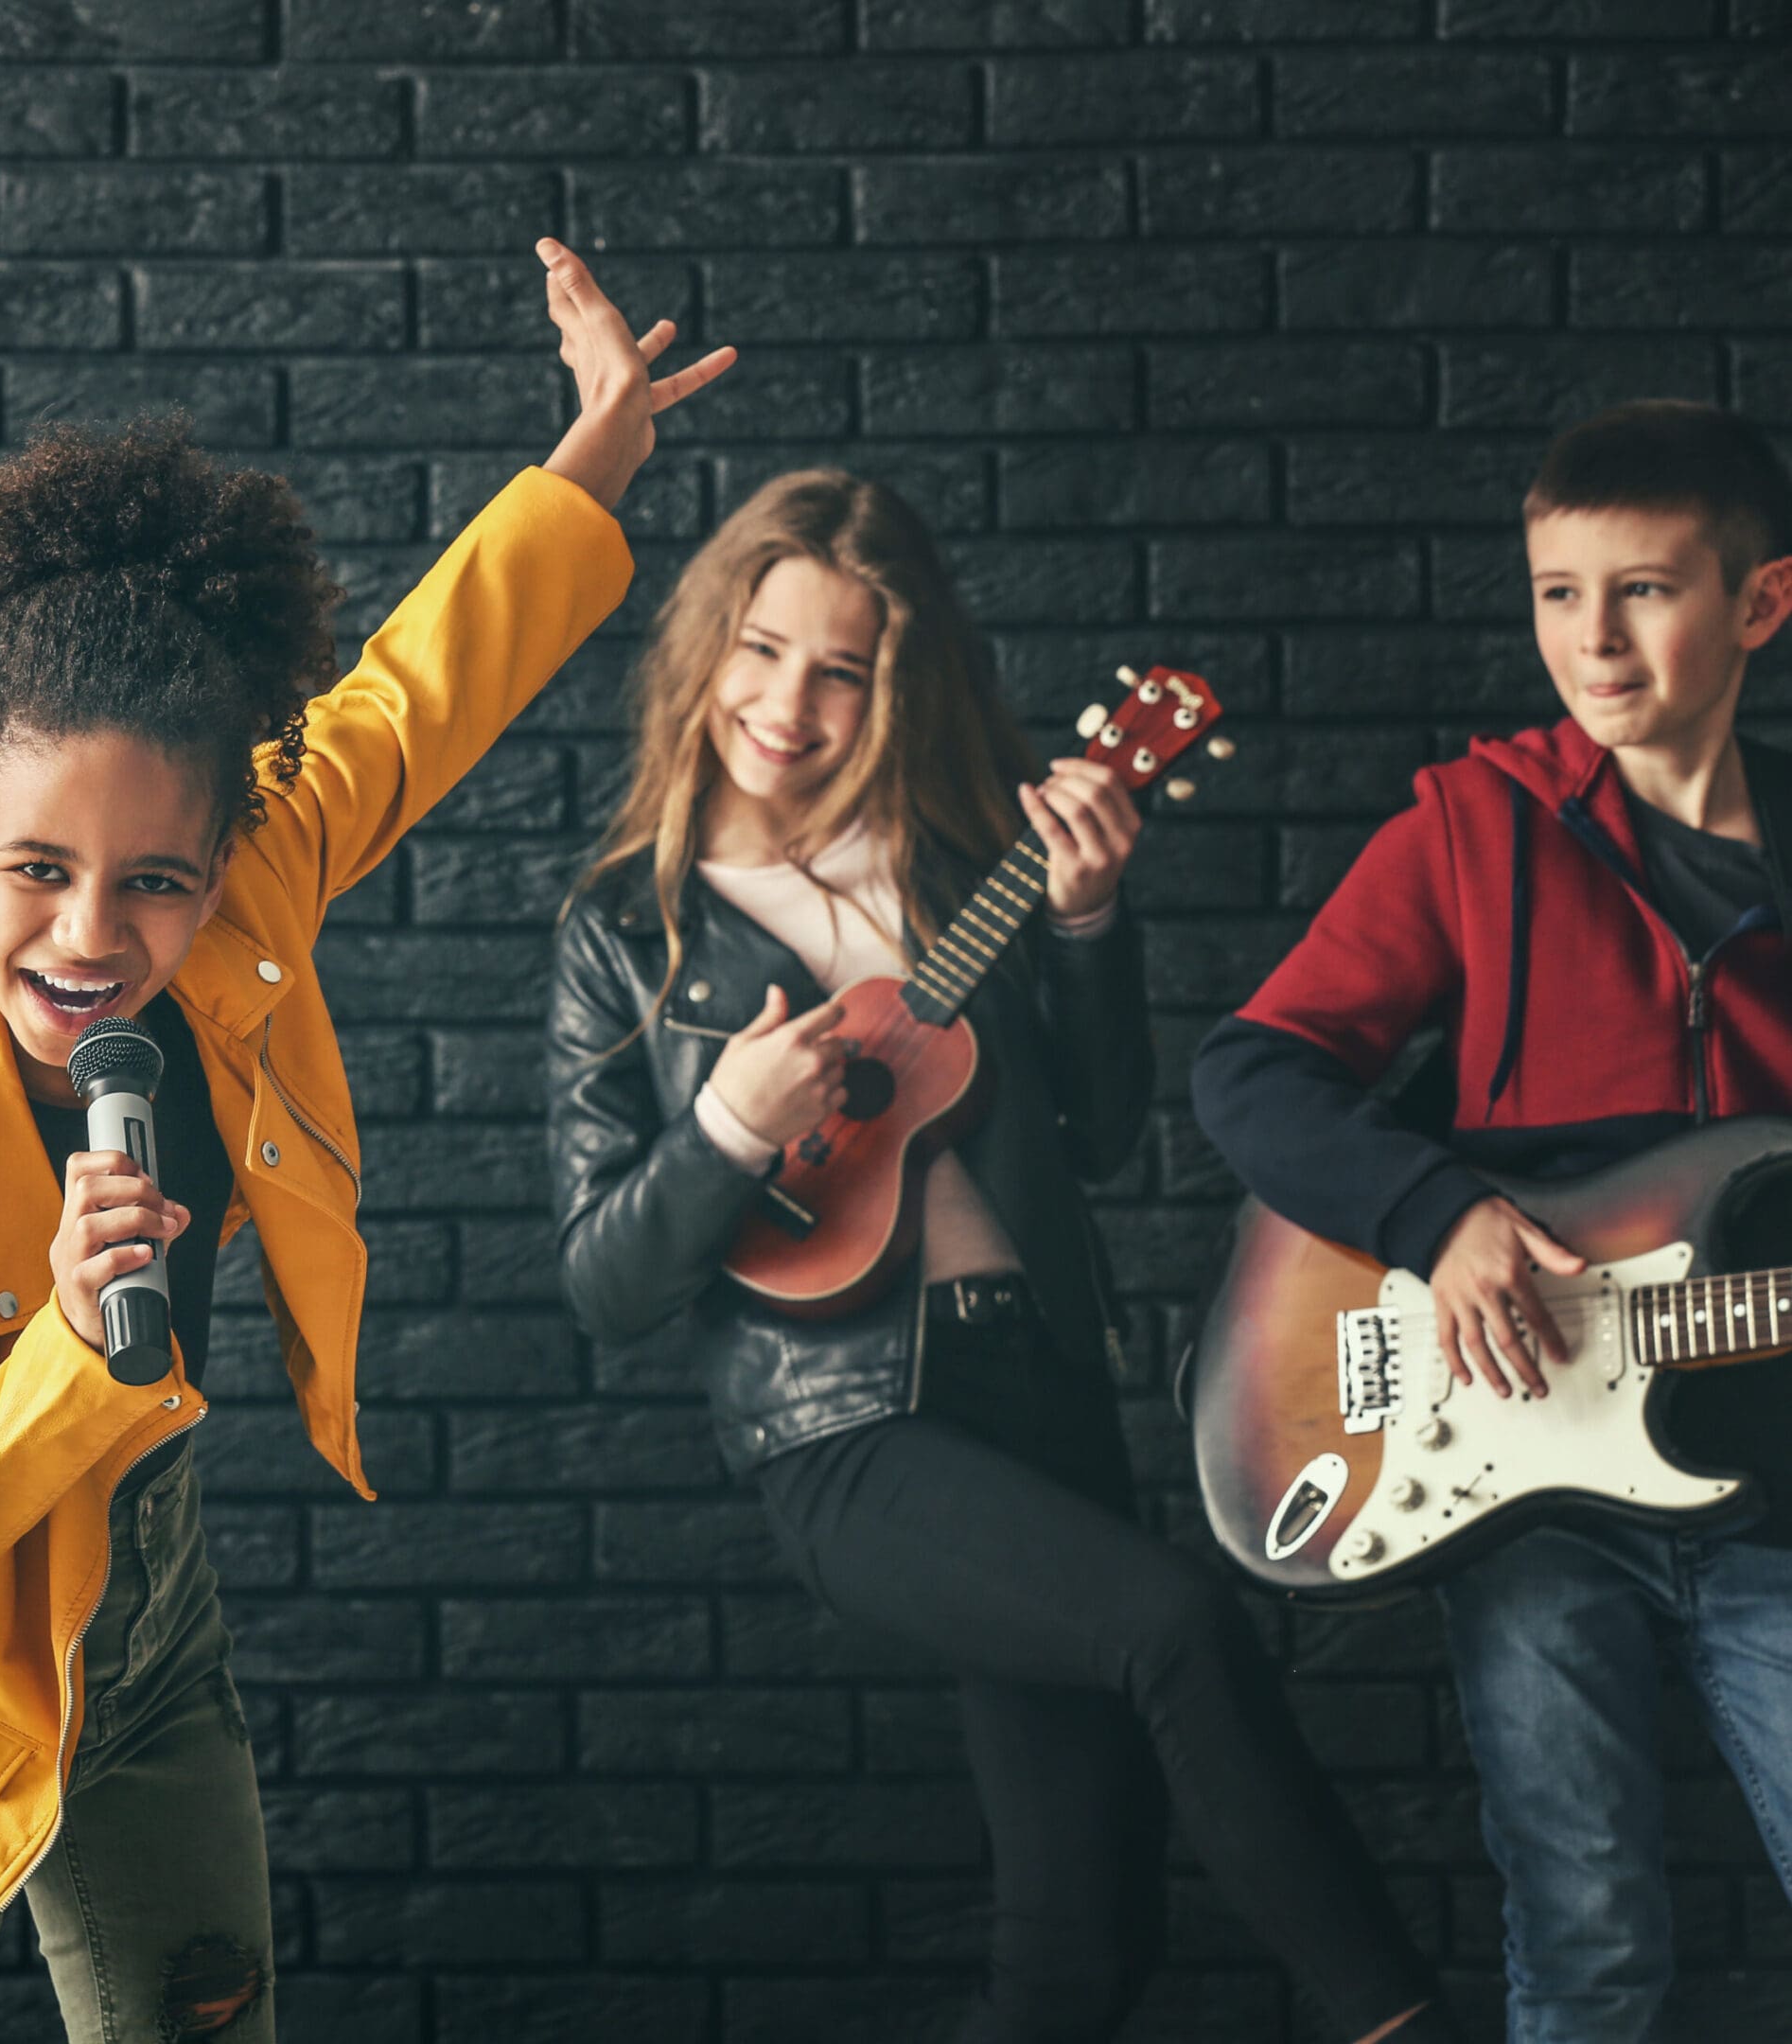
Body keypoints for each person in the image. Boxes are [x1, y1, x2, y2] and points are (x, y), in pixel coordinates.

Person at [0, 241, 728, 2044]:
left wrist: (596, 451)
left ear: (219, 865)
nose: (91, 937)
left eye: (155, 883)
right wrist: (59, 1345)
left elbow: (414, 698)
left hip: (149, 1632)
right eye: (35, 872)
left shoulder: (254, 878)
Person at [545, 468, 1455, 2043]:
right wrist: (727, 1134)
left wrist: (1093, 924)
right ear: (709, 649)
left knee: (1082, 1932)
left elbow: (1102, 1138)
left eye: (844, 668)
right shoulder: (631, 929)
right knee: (1180, 1628)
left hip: (1038, 1383)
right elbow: (606, 1285)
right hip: (845, 1430)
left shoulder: (975, 871)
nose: (790, 703)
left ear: (898, 685)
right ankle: (1402, 2022)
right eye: (765, 649)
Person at [1195, 399, 1792, 2043]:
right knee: (1589, 1943)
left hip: (1780, 1478)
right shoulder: (1472, 828)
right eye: (1556, 593)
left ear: (1762, 602)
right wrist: (1438, 1215)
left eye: (1647, 592)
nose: (1592, 640)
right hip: (1524, 1486)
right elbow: (1251, 1074)